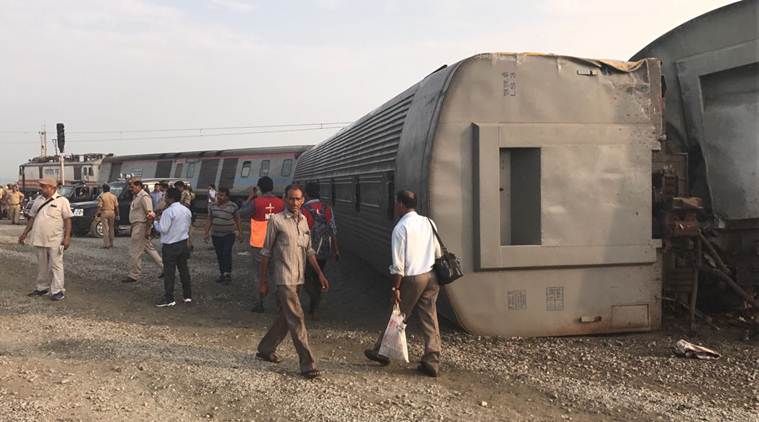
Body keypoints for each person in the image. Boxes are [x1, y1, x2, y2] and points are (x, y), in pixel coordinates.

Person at [364, 190, 443, 377]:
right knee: (429, 317)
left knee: (398, 315)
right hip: (432, 276)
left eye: (395, 203)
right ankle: (432, 358)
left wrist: (396, 287)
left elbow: (398, 265)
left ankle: (381, 352)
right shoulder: (428, 222)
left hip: (413, 278)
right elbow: (438, 251)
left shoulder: (401, 228)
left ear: (400, 204)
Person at [256, 184, 330, 379]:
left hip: (299, 277)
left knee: (287, 316)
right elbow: (265, 253)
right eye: (290, 198)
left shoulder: (304, 221)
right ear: (284, 198)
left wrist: (320, 274)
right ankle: (308, 364)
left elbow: (309, 251)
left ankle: (265, 348)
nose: (294, 202)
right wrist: (263, 281)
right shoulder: (276, 221)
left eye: (298, 199)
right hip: (284, 278)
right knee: (297, 318)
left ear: (303, 200)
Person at [17, 177, 73, 301]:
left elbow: (67, 220)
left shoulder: (62, 201)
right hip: (39, 238)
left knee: (56, 265)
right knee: (42, 265)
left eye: (43, 186)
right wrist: (24, 233)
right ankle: (42, 288)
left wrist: (67, 237)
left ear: (52, 188)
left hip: (55, 239)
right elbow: (32, 218)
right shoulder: (38, 200)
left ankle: (57, 291)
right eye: (41, 186)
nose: (41, 189)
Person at [241, 176, 285, 312]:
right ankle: (280, 304)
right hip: (277, 244)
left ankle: (259, 303)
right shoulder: (281, 203)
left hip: (259, 244)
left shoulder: (256, 202)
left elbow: (241, 213)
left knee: (259, 274)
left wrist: (251, 197)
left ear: (259, 188)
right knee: (277, 274)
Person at [300, 182, 340, 320]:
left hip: (307, 249)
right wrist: (336, 250)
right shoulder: (326, 208)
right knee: (319, 275)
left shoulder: (303, 208)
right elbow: (333, 230)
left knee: (306, 278)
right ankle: (314, 308)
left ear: (306, 193)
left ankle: (314, 299)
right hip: (324, 249)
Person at [153, 187, 192, 307]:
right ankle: (187, 295)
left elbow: (163, 229)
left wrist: (155, 222)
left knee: (169, 272)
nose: (164, 198)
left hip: (170, 245)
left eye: (165, 196)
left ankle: (169, 298)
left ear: (169, 198)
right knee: (184, 270)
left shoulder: (168, 212)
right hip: (183, 243)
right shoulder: (186, 210)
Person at [122, 179, 163, 283]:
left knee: (135, 251)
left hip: (141, 226)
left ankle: (134, 274)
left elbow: (150, 214)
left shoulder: (144, 197)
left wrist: (148, 229)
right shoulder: (137, 197)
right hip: (137, 225)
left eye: (132, 187)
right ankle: (165, 268)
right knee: (149, 249)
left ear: (139, 186)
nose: (131, 189)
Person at [204, 187, 242, 283]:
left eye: (222, 195)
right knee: (219, 254)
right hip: (216, 235)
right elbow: (209, 219)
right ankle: (222, 273)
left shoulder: (233, 206)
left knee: (226, 252)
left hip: (229, 235)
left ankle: (227, 273)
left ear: (227, 197)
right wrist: (206, 233)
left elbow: (238, 219)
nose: (219, 197)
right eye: (218, 195)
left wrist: (240, 233)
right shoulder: (212, 206)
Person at [96, 184, 119, 249]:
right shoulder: (114, 196)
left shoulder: (102, 196)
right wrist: (117, 215)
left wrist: (97, 214)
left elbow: (99, 206)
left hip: (105, 212)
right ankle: (112, 243)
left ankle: (106, 244)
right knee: (111, 228)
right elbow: (117, 207)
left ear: (103, 189)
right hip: (112, 212)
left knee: (105, 229)